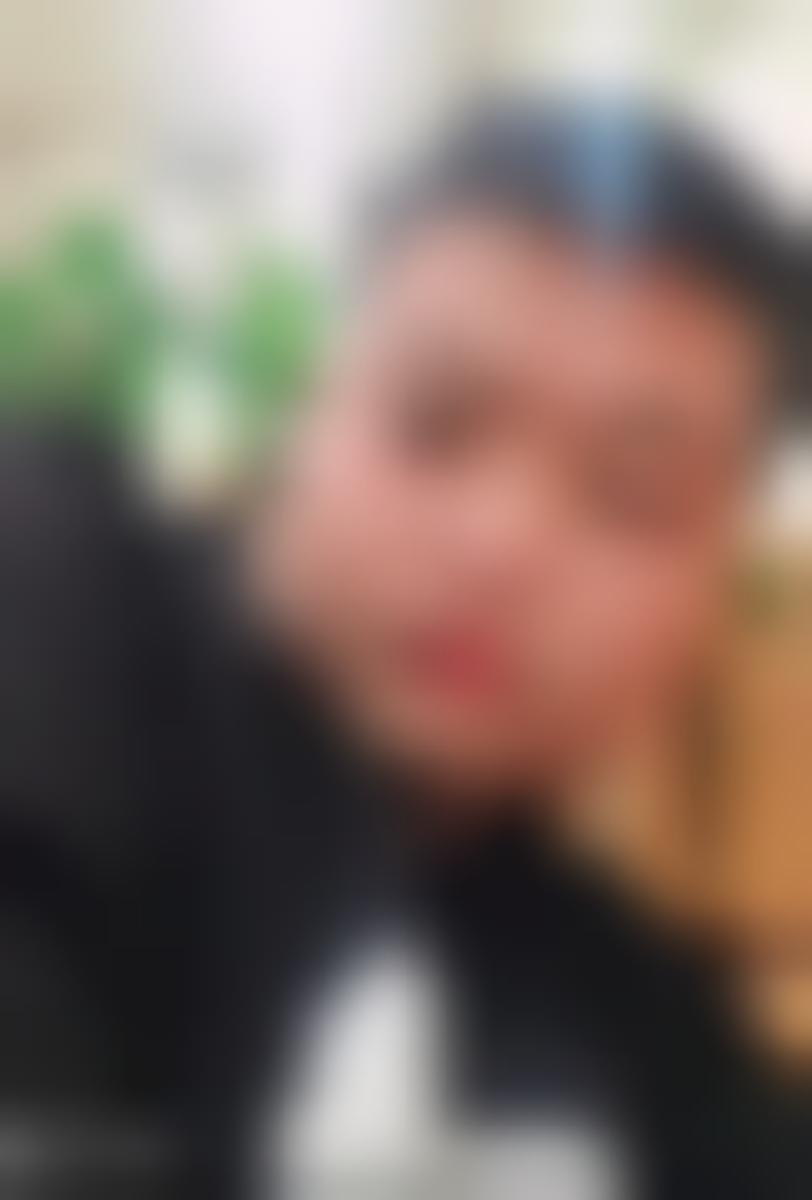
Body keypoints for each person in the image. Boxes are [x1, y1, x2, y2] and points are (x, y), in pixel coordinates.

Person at [0, 101, 803, 1198]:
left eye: (630, 495)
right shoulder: (64, 609)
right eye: (434, 424)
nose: (500, 544)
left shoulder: (625, 1008)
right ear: (306, 418)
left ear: (712, 601)